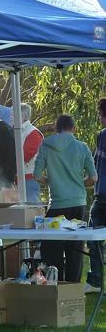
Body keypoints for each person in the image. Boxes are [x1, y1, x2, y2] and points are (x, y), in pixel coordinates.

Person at [34, 115, 97, 282]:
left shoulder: (46, 145)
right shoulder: (82, 147)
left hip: (56, 205)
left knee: (51, 247)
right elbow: (93, 178)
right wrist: (80, 184)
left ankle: (56, 284)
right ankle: (73, 288)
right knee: (75, 249)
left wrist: (51, 180)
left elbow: (37, 175)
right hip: (78, 203)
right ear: (73, 129)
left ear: (56, 129)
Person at [85, 98, 106, 293]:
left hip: (103, 197)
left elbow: (95, 166)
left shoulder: (102, 136)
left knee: (94, 238)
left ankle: (95, 281)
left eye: (100, 115)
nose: (99, 119)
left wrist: (83, 183)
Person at [20, 103, 43, 202]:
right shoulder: (15, 131)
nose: (10, 117)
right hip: (17, 179)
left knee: (31, 211)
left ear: (23, 116)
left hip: (29, 179)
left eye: (12, 115)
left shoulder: (33, 133)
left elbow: (24, 156)